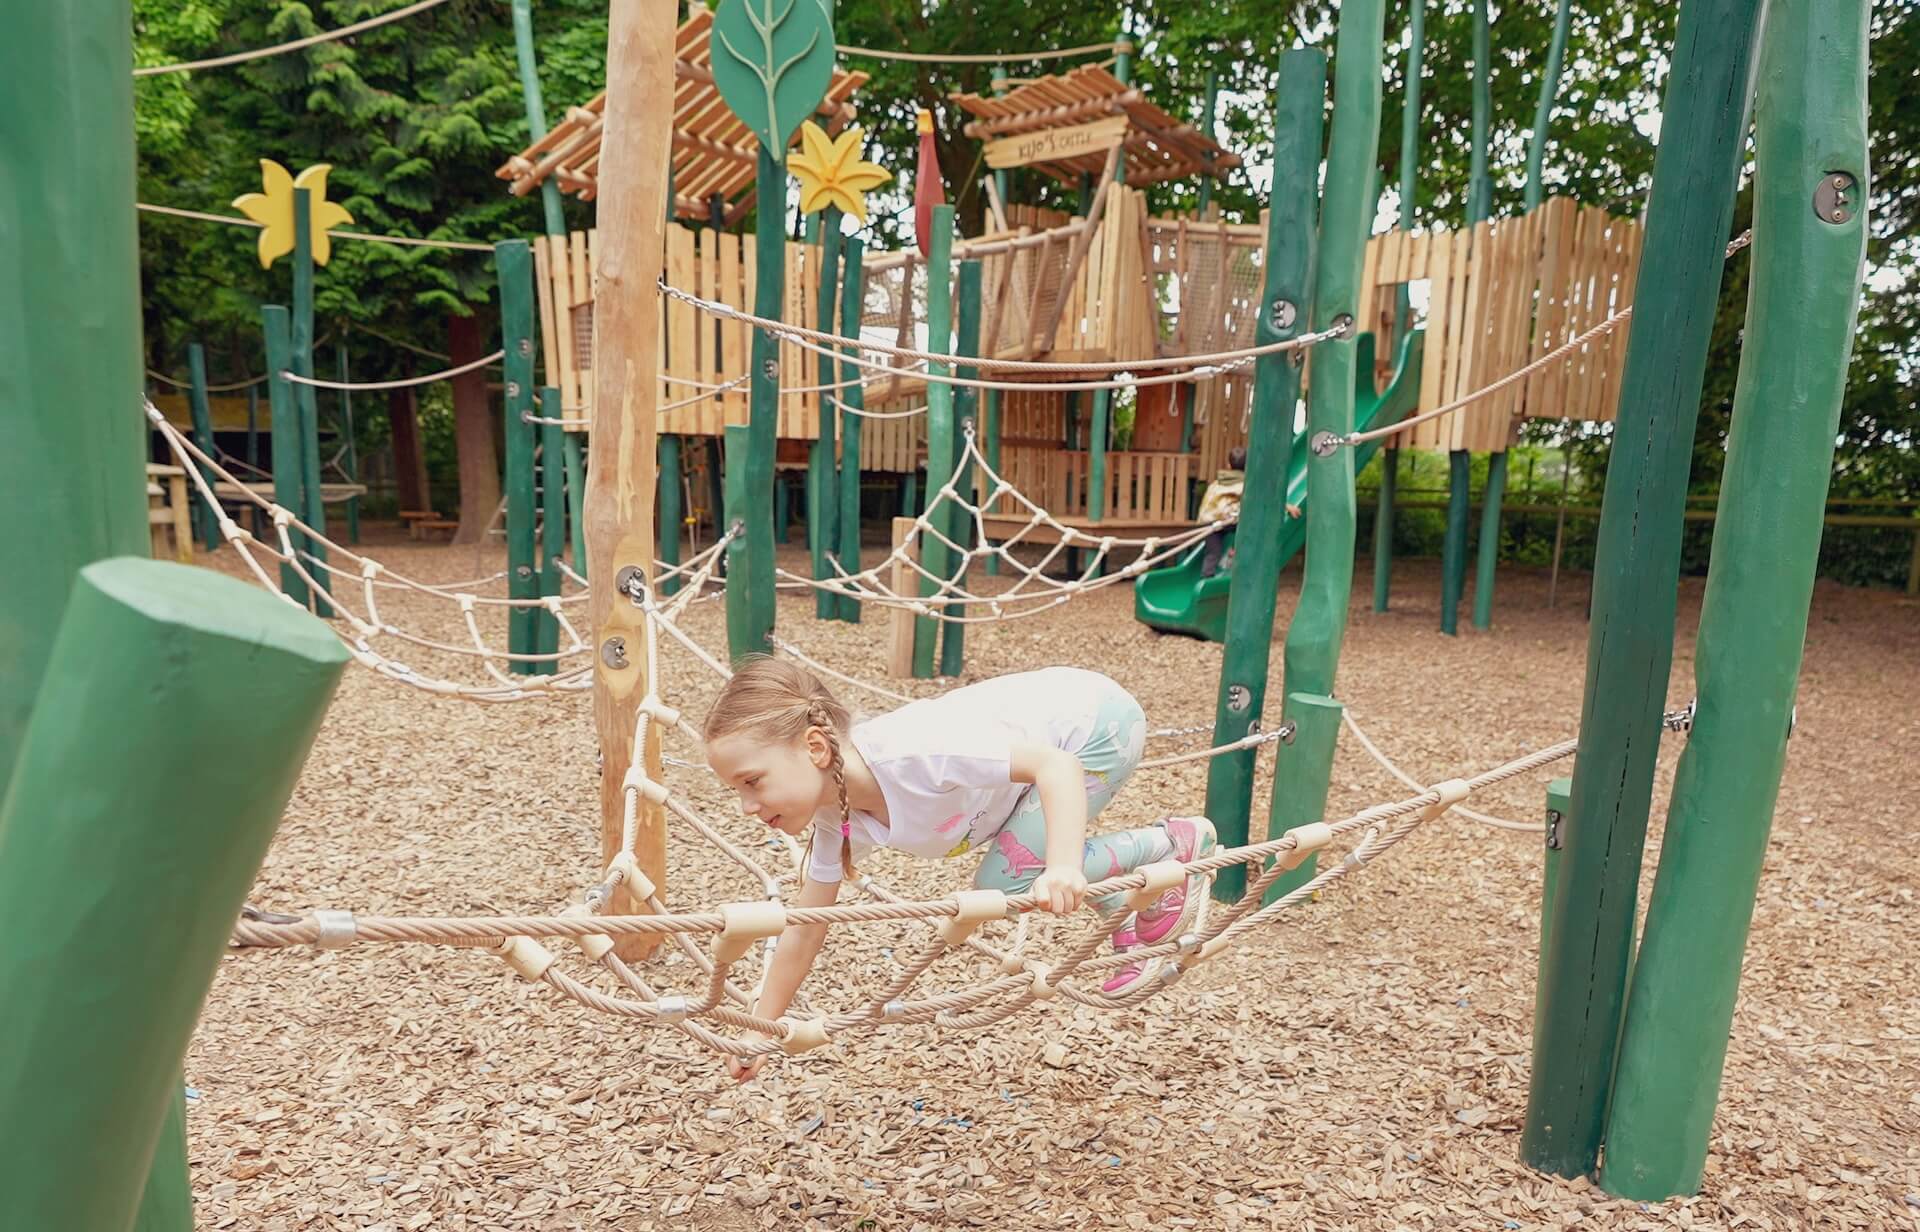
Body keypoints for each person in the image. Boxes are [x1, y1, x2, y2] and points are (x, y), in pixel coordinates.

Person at [703, 657, 1218, 1080]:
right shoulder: (836, 819)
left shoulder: (913, 755)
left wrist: (1063, 864)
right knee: (1015, 870)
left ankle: (1171, 844)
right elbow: (803, 930)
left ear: (815, 747)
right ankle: (1134, 905)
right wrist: (759, 1030)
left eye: (753, 781)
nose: (747, 806)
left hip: (1094, 725)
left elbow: (1054, 766)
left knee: (1008, 879)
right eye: (736, 791)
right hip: (1046, 753)